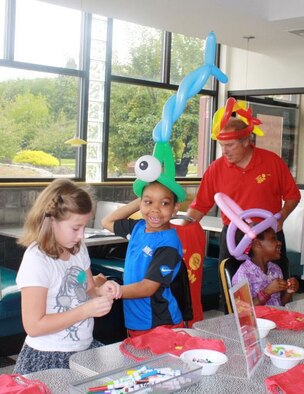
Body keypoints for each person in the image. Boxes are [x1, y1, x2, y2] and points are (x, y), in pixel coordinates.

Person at [14, 179, 121, 375]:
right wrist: (85, 311)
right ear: (51, 221)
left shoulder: (78, 250)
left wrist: (101, 291)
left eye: (84, 226)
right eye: (75, 228)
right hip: (48, 357)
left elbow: (88, 290)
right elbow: (34, 326)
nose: (81, 235)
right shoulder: (37, 260)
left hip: (82, 349)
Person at [187, 98, 301, 279]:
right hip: (234, 236)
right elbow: (199, 206)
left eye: (230, 145)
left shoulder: (272, 162)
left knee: (275, 289)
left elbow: (293, 196)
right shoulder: (216, 168)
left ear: (246, 140)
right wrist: (181, 230)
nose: (225, 151)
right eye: (222, 145)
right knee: (233, 292)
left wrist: (282, 217)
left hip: (268, 235)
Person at [102, 181, 185, 337]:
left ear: (175, 209)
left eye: (164, 203)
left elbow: (147, 288)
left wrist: (108, 291)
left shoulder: (168, 244)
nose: (155, 209)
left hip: (159, 324)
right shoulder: (138, 228)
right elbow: (107, 222)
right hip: (136, 321)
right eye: (148, 202)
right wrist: (141, 201)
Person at [231, 227, 299, 306]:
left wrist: (289, 292)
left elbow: (281, 305)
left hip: (276, 316)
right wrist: (267, 291)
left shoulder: (276, 269)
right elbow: (244, 312)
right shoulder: (243, 275)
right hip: (259, 318)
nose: (279, 243)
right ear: (257, 244)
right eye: (273, 239)